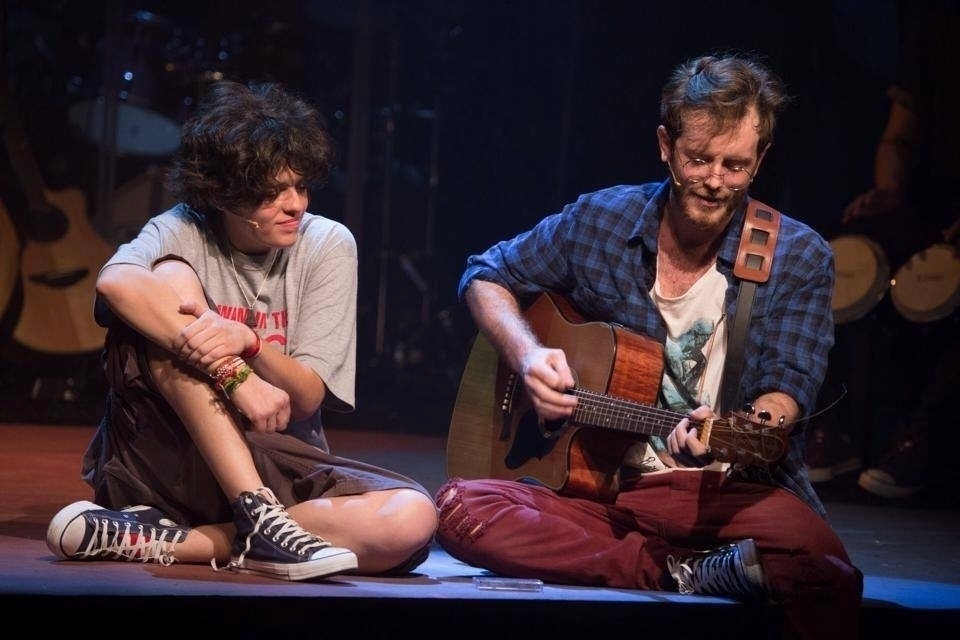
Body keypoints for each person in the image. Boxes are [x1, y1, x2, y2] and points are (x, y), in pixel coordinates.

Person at [434, 52, 862, 639]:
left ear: (761, 160)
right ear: (665, 145)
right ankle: (676, 572)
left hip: (725, 495)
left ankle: (655, 564)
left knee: (824, 568)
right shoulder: (601, 220)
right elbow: (485, 275)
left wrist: (744, 428)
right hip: (605, 490)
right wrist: (528, 356)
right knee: (461, 509)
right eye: (698, 158)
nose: (714, 180)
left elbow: (788, 389)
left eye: (735, 165)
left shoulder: (797, 255)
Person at [44, 80, 439, 581]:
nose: (295, 204)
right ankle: (251, 512)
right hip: (167, 452)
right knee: (169, 278)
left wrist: (250, 344)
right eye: (273, 191)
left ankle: (184, 539)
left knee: (412, 518)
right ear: (223, 195)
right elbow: (116, 283)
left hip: (276, 454)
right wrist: (234, 373)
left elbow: (307, 397)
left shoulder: (327, 244)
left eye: (301, 186)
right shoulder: (185, 228)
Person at [806, 1, 960, 498]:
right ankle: (832, 428)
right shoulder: (933, 27)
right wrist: (888, 194)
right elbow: (898, 137)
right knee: (829, 252)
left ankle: (922, 437)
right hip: (927, 203)